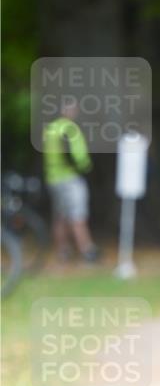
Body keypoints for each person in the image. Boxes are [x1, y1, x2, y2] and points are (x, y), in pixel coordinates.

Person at [43, 97, 99, 263]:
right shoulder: (70, 129)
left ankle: (63, 251)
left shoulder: (50, 129)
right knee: (78, 215)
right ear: (67, 110)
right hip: (70, 178)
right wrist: (86, 167)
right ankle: (87, 250)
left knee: (60, 216)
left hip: (53, 178)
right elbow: (78, 156)